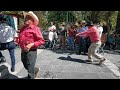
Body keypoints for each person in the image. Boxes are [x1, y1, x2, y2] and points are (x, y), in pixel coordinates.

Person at [19, 11, 45, 79]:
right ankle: (36, 70)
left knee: (30, 68)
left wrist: (31, 44)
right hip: (23, 50)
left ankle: (31, 76)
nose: (25, 19)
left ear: (32, 20)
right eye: (25, 18)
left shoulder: (35, 28)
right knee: (25, 65)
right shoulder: (22, 28)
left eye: (28, 18)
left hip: (32, 51)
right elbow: (21, 39)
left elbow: (41, 41)